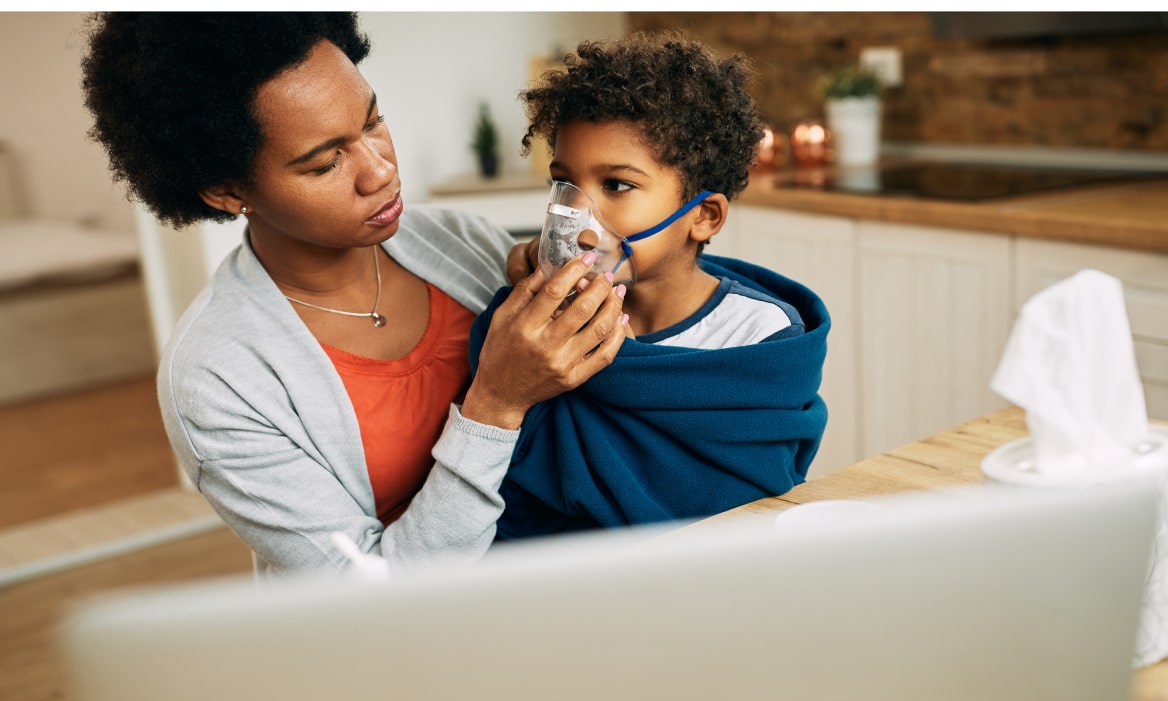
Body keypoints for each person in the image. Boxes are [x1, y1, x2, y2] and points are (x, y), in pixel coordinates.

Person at [79, 12, 627, 579]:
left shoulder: (457, 242)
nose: (380, 170)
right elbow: (366, 592)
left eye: (373, 122)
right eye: (324, 163)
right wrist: (495, 404)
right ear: (225, 190)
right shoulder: (216, 379)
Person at [471, 31, 830, 540]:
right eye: (563, 183)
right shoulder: (538, 321)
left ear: (703, 216)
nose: (575, 213)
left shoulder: (760, 337)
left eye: (616, 185)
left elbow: (748, 499)